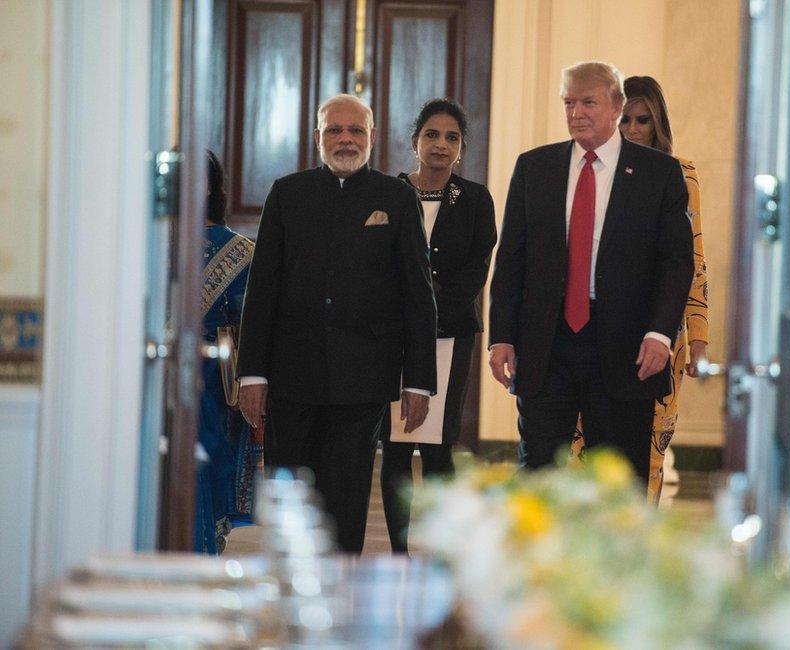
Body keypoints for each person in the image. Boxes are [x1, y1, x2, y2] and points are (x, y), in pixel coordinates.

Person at [236, 94, 437, 554]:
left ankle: (341, 600)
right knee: (290, 500)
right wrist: (252, 373)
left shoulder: (396, 197)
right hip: (291, 378)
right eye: (334, 130)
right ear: (317, 137)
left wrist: (419, 381)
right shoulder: (287, 194)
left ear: (372, 137)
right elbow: (262, 289)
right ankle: (289, 599)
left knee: (345, 504)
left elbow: (418, 295)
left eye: (355, 130)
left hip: (363, 381)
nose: (345, 139)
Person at [488, 61, 694, 483]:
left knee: (617, 480)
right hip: (547, 343)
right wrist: (502, 334)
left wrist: (660, 333)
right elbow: (512, 258)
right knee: (538, 474)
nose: (575, 113)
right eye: (568, 103)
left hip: (626, 347)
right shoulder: (534, 168)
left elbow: (676, 261)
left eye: (587, 102)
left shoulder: (659, 173)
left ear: (617, 105)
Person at [380, 99, 497, 553]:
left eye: (452, 137)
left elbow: (475, 271)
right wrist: (404, 319)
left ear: (462, 148)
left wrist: (429, 317)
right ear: (414, 142)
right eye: (432, 135)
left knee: (438, 449)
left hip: (450, 334)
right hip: (390, 337)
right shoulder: (389, 192)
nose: (441, 145)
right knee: (393, 446)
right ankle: (399, 552)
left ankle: (439, 553)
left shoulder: (473, 200)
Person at [619, 75, 710, 502]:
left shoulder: (680, 174)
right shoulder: (594, 172)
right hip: (601, 323)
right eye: (624, 120)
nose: (633, 129)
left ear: (658, 123)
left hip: (663, 327)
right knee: (586, 447)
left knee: (651, 448)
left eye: (642, 120)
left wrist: (700, 339)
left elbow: (694, 260)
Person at [196, 150, 260, 554]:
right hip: (159, 372)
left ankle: (203, 546)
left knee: (210, 458)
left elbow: (251, 323)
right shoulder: (146, 245)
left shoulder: (242, 252)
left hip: (216, 375)